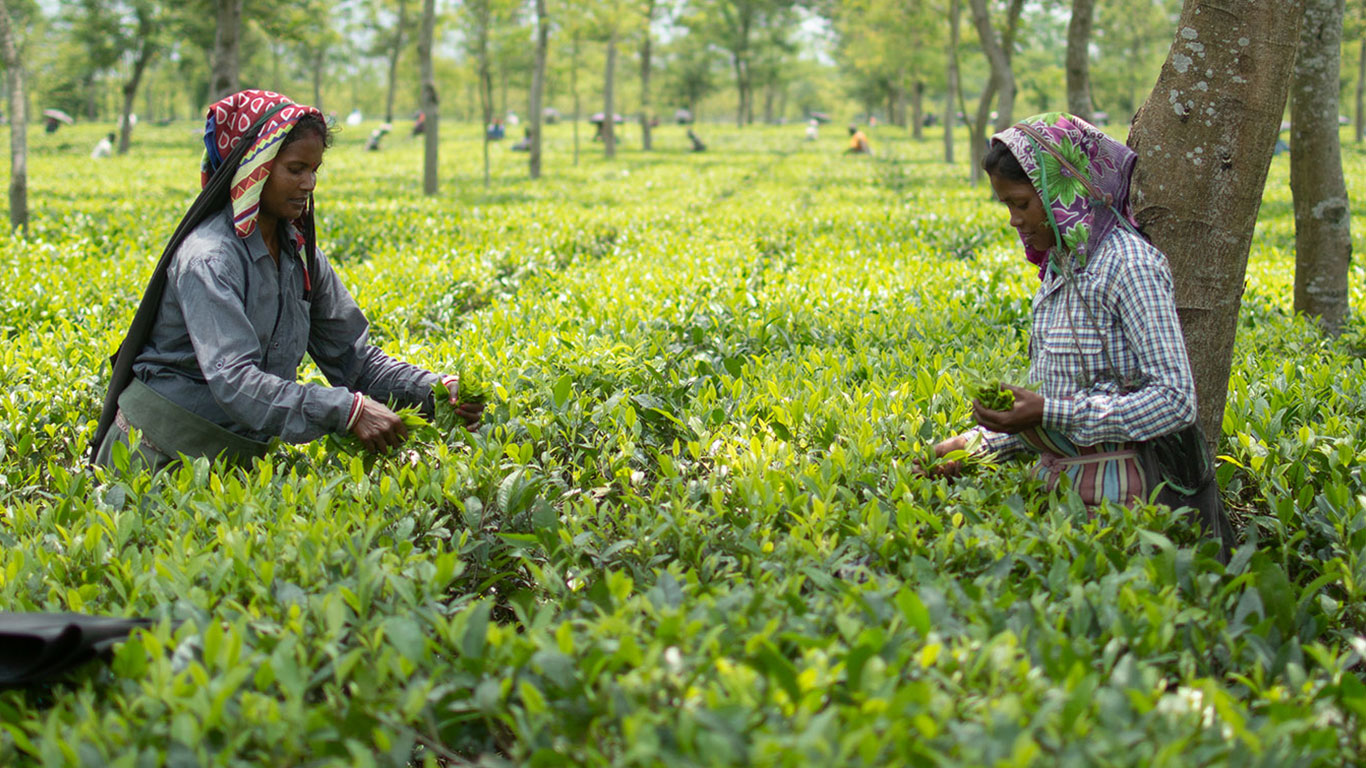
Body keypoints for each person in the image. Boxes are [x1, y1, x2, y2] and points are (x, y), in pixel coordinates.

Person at [92, 90, 483, 472]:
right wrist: (346, 410)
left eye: (314, 170)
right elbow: (235, 380)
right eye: (296, 169)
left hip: (232, 461)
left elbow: (355, 360)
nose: (309, 184)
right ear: (254, 168)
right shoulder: (210, 258)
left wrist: (435, 389)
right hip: (155, 457)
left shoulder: (300, 256)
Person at [928, 112, 1233, 559]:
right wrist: (977, 445)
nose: (1014, 220)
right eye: (1007, 206)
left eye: (1021, 203)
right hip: (1065, 509)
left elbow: (1175, 401)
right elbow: (1063, 413)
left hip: (1132, 513)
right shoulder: (1061, 267)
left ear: (1062, 191)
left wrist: (1048, 410)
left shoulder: (1130, 266)